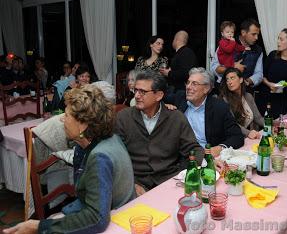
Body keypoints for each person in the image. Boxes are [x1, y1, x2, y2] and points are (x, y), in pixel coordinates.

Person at [4, 85, 135, 234]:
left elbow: (97, 219)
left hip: (118, 224)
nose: (61, 119)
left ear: (83, 125)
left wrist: (38, 226)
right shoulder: (96, 142)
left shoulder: (99, 157)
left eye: (66, 115)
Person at [114, 70, 203, 195]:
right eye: (136, 90)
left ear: (159, 95)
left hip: (169, 181)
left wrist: (207, 161)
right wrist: (130, 184)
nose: (137, 96)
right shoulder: (123, 117)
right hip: (135, 182)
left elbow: (192, 148)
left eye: (143, 92)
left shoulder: (176, 118)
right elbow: (114, 157)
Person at [166, 67, 244, 157]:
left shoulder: (219, 107)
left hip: (206, 156)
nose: (188, 87)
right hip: (181, 154)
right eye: (188, 82)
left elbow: (237, 136)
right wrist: (164, 106)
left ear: (206, 88)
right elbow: (157, 97)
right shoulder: (180, 98)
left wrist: (220, 148)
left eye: (194, 84)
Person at [256, 28, 287, 118]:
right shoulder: (272, 55)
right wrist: (269, 84)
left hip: (280, 101)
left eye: (281, 39)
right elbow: (262, 75)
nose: (278, 42)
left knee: (278, 128)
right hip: (264, 97)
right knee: (264, 127)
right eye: (278, 38)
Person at [211, 18, 263, 90]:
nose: (256, 38)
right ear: (243, 32)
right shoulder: (226, 43)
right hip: (224, 90)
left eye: (257, 35)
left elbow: (259, 73)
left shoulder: (258, 50)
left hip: (245, 91)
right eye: (253, 34)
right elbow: (213, 68)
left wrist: (245, 82)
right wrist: (231, 67)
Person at [219, 67, 263, 139]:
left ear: (241, 80)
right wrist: (248, 133)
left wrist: (275, 123)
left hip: (244, 138)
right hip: (231, 139)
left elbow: (258, 118)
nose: (229, 82)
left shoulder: (248, 96)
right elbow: (232, 124)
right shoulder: (225, 100)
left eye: (232, 78)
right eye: (227, 80)